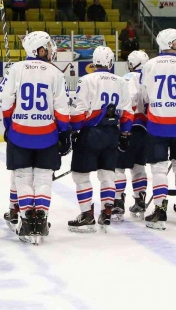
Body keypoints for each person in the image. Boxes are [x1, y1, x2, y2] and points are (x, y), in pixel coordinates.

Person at [0, 31, 71, 244]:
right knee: (43, 178)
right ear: (38, 49)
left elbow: (5, 101)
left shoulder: (15, 69)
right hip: (46, 135)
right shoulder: (55, 73)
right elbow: (61, 107)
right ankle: (41, 218)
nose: (50, 49)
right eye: (47, 45)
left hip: (20, 133)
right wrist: (64, 132)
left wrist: (9, 125)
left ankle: (27, 219)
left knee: (22, 178)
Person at [68, 46, 133, 233]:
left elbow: (79, 110)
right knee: (107, 174)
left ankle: (87, 215)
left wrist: (74, 131)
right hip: (112, 134)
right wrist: (125, 134)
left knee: (80, 175)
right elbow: (127, 112)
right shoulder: (121, 81)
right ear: (111, 62)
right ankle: (106, 210)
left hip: (91, 134)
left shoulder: (86, 79)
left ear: (93, 62)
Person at [140, 28, 176, 230]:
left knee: (158, 167)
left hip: (157, 124)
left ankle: (160, 208)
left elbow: (145, 95)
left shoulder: (149, 65)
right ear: (170, 42)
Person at [112, 51, 150, 221]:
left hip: (130, 128)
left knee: (119, 167)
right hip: (145, 130)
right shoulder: (151, 77)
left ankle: (118, 201)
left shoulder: (129, 77)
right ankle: (140, 200)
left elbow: (130, 98)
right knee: (138, 166)